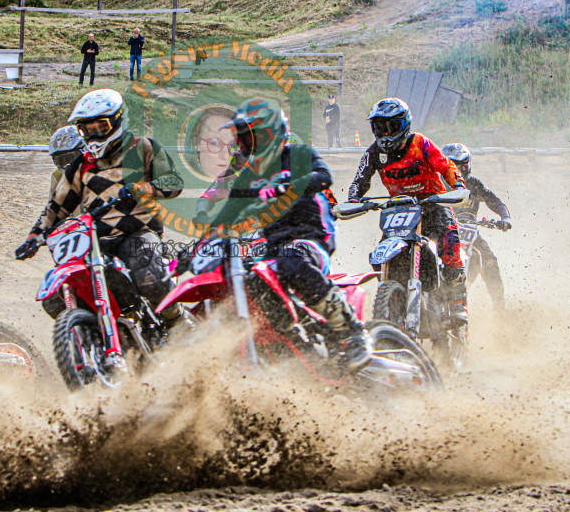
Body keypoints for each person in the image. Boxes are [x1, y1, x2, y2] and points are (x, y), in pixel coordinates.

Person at [206, 97, 370, 371]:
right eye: (240, 139)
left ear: (267, 136)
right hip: (274, 245)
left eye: (246, 138)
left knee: (291, 260)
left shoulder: (299, 155)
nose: (241, 145)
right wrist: (199, 247)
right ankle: (294, 338)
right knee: (250, 279)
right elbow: (226, 216)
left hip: (312, 236)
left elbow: (324, 177)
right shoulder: (249, 177)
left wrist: (288, 184)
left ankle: (353, 332)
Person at [15, 89, 185, 325]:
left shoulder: (144, 147)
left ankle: (178, 320)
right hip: (95, 241)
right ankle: (95, 334)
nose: (94, 134)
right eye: (87, 129)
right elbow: (56, 207)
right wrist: (32, 238)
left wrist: (142, 188)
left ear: (117, 120)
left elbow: (173, 182)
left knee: (151, 278)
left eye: (101, 127)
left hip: (137, 233)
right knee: (56, 297)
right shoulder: (80, 164)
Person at [348, 98, 469, 327]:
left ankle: (457, 304)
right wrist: (354, 200)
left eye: (391, 126)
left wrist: (458, 185)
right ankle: (393, 302)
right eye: (380, 127)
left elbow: (446, 165)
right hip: (400, 209)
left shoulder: (420, 143)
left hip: (434, 204)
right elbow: (359, 180)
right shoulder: (374, 152)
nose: (386, 133)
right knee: (382, 255)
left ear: (404, 124)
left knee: (450, 245)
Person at [441, 143, 511, 310]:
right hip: (441, 230)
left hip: (469, 232)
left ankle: (499, 305)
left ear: (467, 166)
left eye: (459, 167)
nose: (456, 172)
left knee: (489, 260)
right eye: (451, 167)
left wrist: (505, 218)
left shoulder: (473, 184)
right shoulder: (437, 185)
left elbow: (494, 201)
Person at [48, 125, 85, 194]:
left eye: (73, 158)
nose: (68, 165)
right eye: (61, 161)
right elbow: (53, 200)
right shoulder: (59, 175)